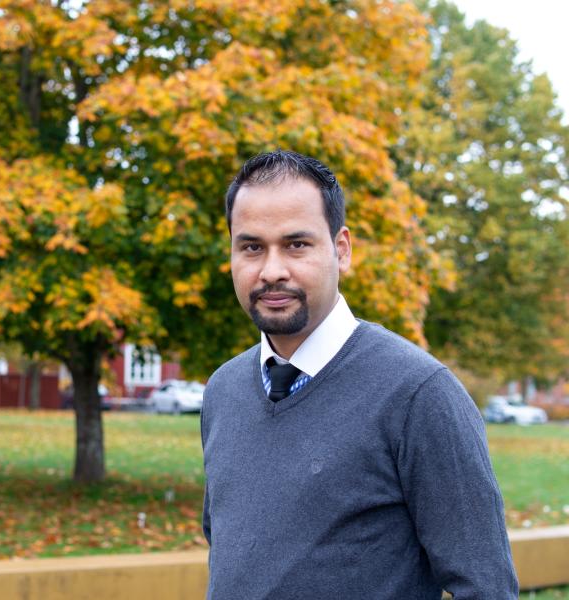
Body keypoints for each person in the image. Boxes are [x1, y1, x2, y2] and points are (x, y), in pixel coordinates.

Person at [200, 150, 518, 599]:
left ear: (341, 250)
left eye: (297, 244)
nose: (272, 270)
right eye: (252, 246)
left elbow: (486, 587)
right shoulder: (222, 391)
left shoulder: (419, 394)